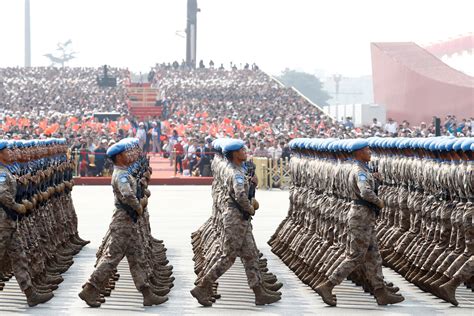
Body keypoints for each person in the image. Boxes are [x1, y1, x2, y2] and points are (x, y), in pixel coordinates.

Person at [190, 139, 281, 306]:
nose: (245, 152)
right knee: (228, 256)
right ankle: (203, 286)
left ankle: (258, 292)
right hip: (235, 218)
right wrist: (250, 207)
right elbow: (240, 195)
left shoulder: (237, 170)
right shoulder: (236, 174)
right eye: (242, 150)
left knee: (251, 254)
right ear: (234, 154)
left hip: (239, 218)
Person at [78, 138, 168, 307]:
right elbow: (127, 195)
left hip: (130, 221)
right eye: (126, 153)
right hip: (124, 221)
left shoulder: (125, 172)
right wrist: (138, 206)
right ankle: (90, 288)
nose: (129, 155)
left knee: (137, 257)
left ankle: (147, 293)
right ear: (119, 157)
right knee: (111, 258)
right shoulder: (121, 176)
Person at [315, 139, 405, 306]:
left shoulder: (364, 169)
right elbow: (364, 191)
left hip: (365, 217)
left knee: (374, 256)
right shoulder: (359, 171)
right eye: (366, 150)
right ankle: (328, 285)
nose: (370, 152)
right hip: (361, 217)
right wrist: (379, 202)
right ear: (358, 153)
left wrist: (376, 181)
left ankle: (381, 292)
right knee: (355, 257)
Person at [0, 140, 54, 307]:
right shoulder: (1, 173)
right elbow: (2, 194)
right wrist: (17, 206)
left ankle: (30, 293)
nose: (11, 152)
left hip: (9, 223)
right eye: (7, 150)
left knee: (19, 257)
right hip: (2, 223)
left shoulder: (6, 170)